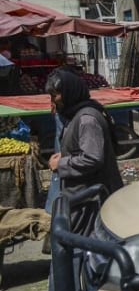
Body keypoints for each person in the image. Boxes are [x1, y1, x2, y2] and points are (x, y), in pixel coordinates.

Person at [46, 69, 123, 233]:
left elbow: (92, 158)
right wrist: (65, 155)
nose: (53, 101)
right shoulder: (76, 115)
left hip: (91, 200)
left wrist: (61, 163)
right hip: (83, 198)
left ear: (69, 92)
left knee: (86, 249)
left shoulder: (86, 119)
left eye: (55, 95)